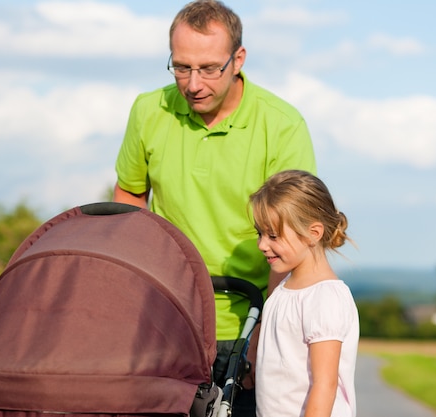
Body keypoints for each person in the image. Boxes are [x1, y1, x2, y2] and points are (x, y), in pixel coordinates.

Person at [113, 1, 316, 413]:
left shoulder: (281, 126)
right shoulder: (148, 111)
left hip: (251, 316)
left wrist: (266, 336)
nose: (192, 83)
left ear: (237, 60)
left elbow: (292, 239)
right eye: (181, 67)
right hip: (169, 320)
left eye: (209, 68)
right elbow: (130, 194)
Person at [249, 170, 359, 417]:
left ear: (313, 233)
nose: (262, 245)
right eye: (260, 233)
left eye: (273, 236)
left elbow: (325, 385)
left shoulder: (325, 298)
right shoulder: (282, 291)